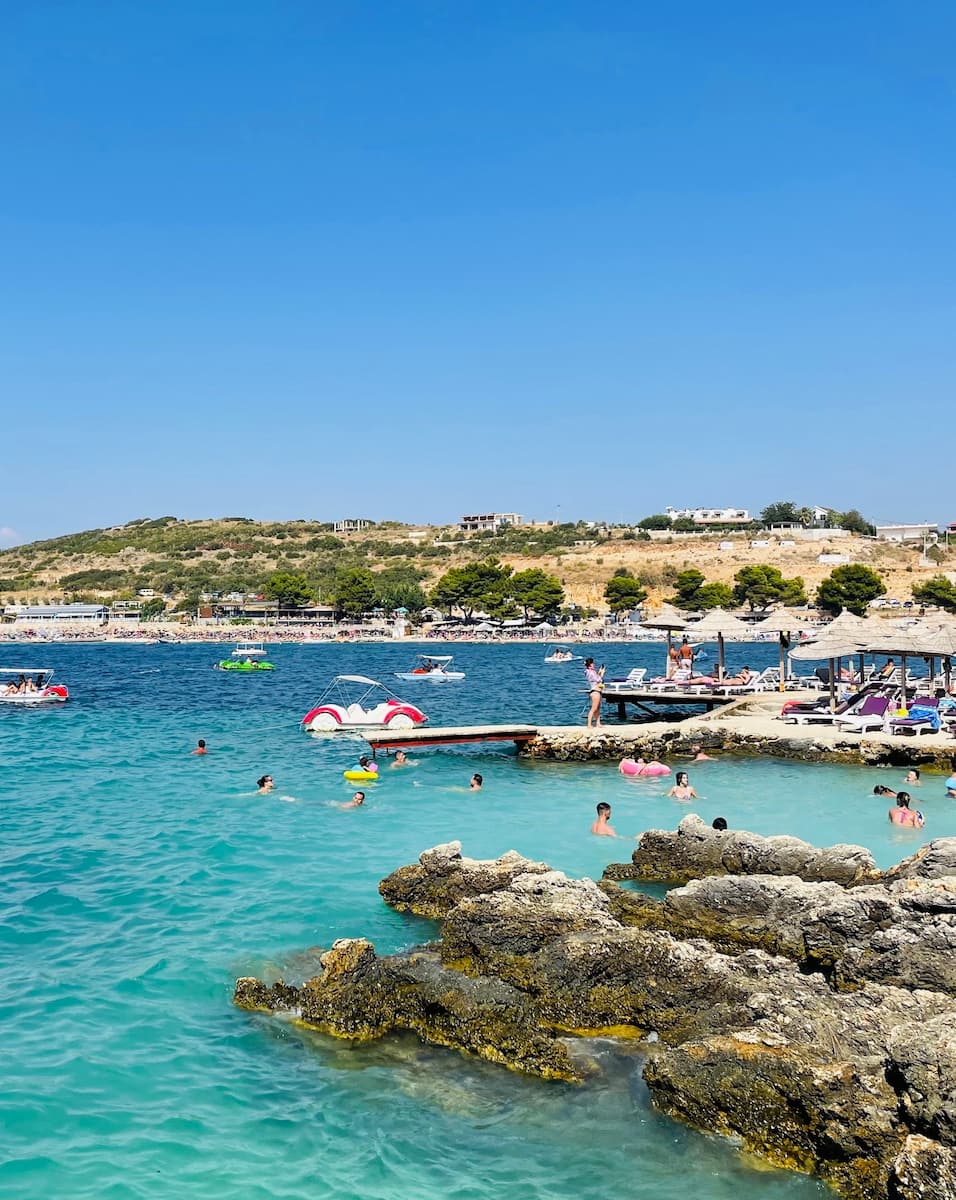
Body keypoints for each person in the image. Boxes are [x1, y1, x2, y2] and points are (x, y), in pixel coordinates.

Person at [584, 658, 606, 728]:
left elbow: (596, 678)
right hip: (595, 691)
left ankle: (598, 723)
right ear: (590, 665)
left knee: (598, 708)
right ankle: (589, 724)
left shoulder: (592, 671)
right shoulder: (590, 672)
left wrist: (599, 672)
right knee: (593, 708)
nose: (594, 665)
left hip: (598, 691)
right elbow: (598, 680)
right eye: (592, 664)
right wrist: (602, 674)